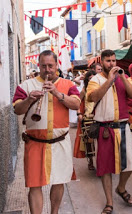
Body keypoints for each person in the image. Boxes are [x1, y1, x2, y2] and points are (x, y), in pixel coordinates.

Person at [12, 50, 80, 214]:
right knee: (35, 184)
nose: (47, 70)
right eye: (44, 66)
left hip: (60, 142)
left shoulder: (69, 85)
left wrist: (56, 93)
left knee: (58, 182)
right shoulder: (25, 86)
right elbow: (17, 110)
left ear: (56, 65)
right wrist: (29, 99)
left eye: (50, 66)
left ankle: (54, 212)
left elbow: (76, 105)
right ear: (38, 66)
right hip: (35, 142)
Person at [86, 49, 132, 214]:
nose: (112, 64)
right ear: (102, 62)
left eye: (114, 61)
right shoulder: (95, 79)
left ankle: (121, 188)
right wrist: (109, 80)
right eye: (108, 61)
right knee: (105, 168)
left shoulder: (123, 78)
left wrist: (122, 77)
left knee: (131, 164)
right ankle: (109, 202)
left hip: (123, 127)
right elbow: (92, 97)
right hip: (105, 129)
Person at [73, 70, 97, 170]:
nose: (92, 79)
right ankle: (91, 161)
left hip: (100, 118)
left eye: (93, 78)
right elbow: (78, 102)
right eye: (90, 78)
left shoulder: (101, 88)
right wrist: (79, 113)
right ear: (87, 80)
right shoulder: (84, 90)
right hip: (88, 118)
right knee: (89, 141)